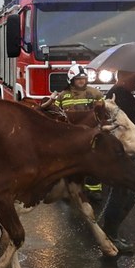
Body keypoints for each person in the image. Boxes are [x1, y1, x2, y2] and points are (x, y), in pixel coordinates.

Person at [42, 64, 107, 199]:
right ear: (71, 80)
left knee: (93, 161)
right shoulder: (63, 96)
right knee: (68, 164)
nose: (81, 81)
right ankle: (67, 189)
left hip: (90, 133)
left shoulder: (94, 93)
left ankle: (94, 190)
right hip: (70, 135)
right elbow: (57, 116)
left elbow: (102, 113)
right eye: (78, 79)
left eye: (83, 78)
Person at [98, 70, 135, 254]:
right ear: (125, 77)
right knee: (122, 192)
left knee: (130, 190)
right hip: (123, 154)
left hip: (130, 152)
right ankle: (110, 234)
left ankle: (112, 232)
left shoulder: (126, 95)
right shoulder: (119, 97)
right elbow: (121, 129)